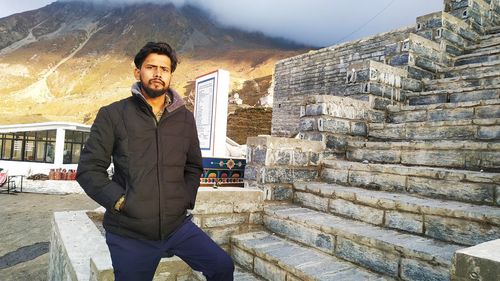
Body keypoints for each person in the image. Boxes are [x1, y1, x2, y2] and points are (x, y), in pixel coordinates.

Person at [76, 42, 234, 281]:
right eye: (151, 67)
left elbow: (192, 165)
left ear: (171, 75)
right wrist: (121, 202)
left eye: (165, 69)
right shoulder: (113, 114)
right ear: (137, 72)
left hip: (176, 227)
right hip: (130, 232)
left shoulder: (184, 118)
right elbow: (89, 170)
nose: (158, 73)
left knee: (222, 267)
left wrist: (184, 199)